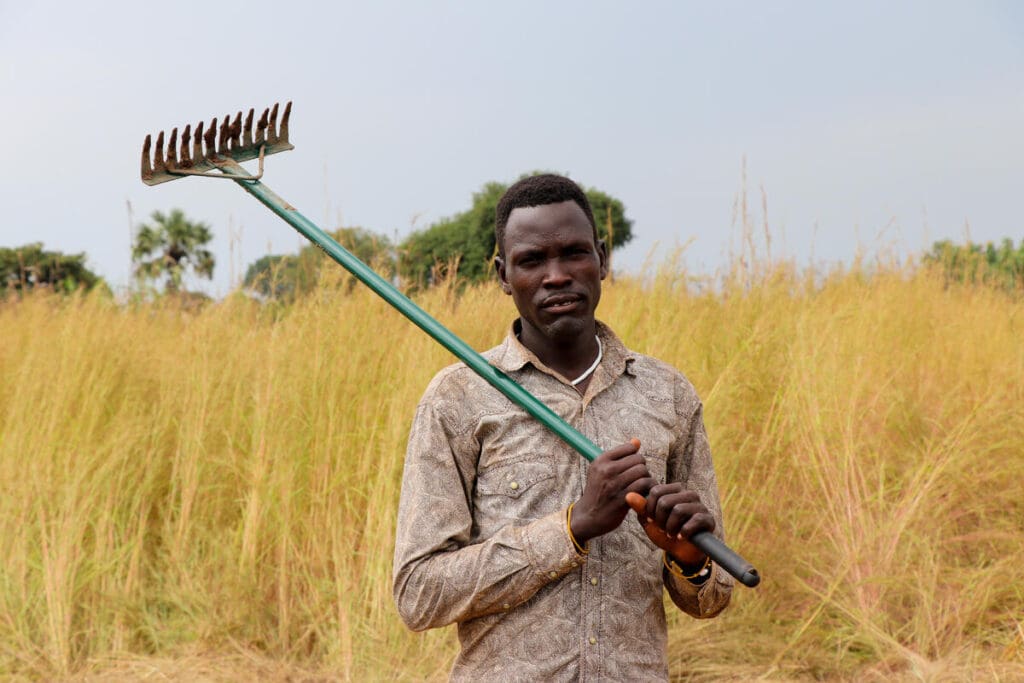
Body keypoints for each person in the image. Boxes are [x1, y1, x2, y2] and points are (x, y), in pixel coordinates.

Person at [392, 174, 733, 681]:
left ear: (602, 260)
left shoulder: (668, 394)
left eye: (573, 254)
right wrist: (572, 527)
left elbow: (712, 597)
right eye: (532, 261)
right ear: (504, 275)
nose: (556, 276)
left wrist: (687, 558)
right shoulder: (458, 398)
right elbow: (419, 594)